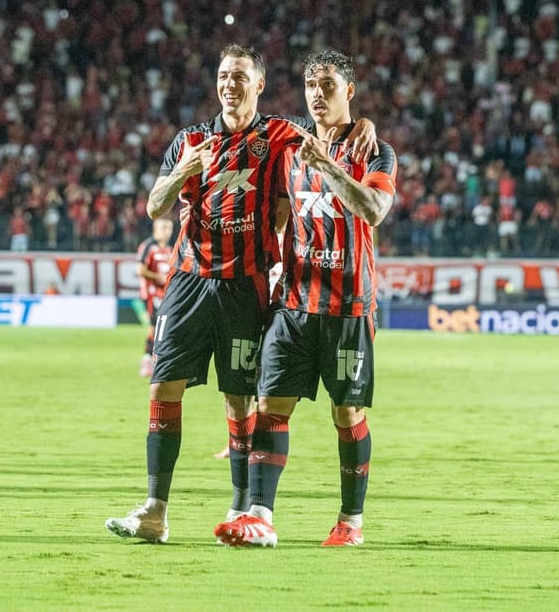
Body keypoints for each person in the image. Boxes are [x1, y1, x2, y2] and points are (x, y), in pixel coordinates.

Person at [104, 45, 377, 543]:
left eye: (241, 76)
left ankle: (242, 510)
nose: (230, 83)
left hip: (247, 288)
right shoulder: (190, 140)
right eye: (224, 74)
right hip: (188, 282)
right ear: (216, 82)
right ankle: (155, 510)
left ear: (259, 86)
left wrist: (365, 126)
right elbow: (153, 206)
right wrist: (184, 171)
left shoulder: (281, 135)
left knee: (240, 402)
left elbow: (330, 128)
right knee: (162, 389)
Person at [213, 49, 397, 547]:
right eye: (311, 85)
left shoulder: (375, 153)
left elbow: (374, 209)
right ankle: (259, 517)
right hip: (293, 302)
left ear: (349, 92)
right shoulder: (289, 143)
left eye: (329, 85)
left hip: (347, 308)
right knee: (272, 405)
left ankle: (351, 522)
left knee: (347, 415)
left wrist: (334, 169)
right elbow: (246, 121)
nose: (318, 93)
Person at [135, 216, 174, 377]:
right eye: (164, 228)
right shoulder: (148, 246)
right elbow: (141, 270)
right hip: (151, 294)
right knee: (155, 327)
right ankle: (146, 360)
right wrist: (157, 277)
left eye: (169, 228)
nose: (167, 232)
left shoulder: (171, 249)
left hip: (166, 294)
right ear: (156, 229)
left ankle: (156, 359)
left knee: (163, 328)